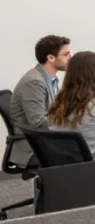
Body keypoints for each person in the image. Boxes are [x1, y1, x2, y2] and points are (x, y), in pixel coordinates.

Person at [9, 35, 72, 166]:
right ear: (50, 58)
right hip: (33, 146)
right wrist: (71, 119)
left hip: (46, 139)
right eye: (66, 54)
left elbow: (56, 109)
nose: (70, 58)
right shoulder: (34, 82)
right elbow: (37, 122)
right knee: (86, 150)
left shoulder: (50, 78)